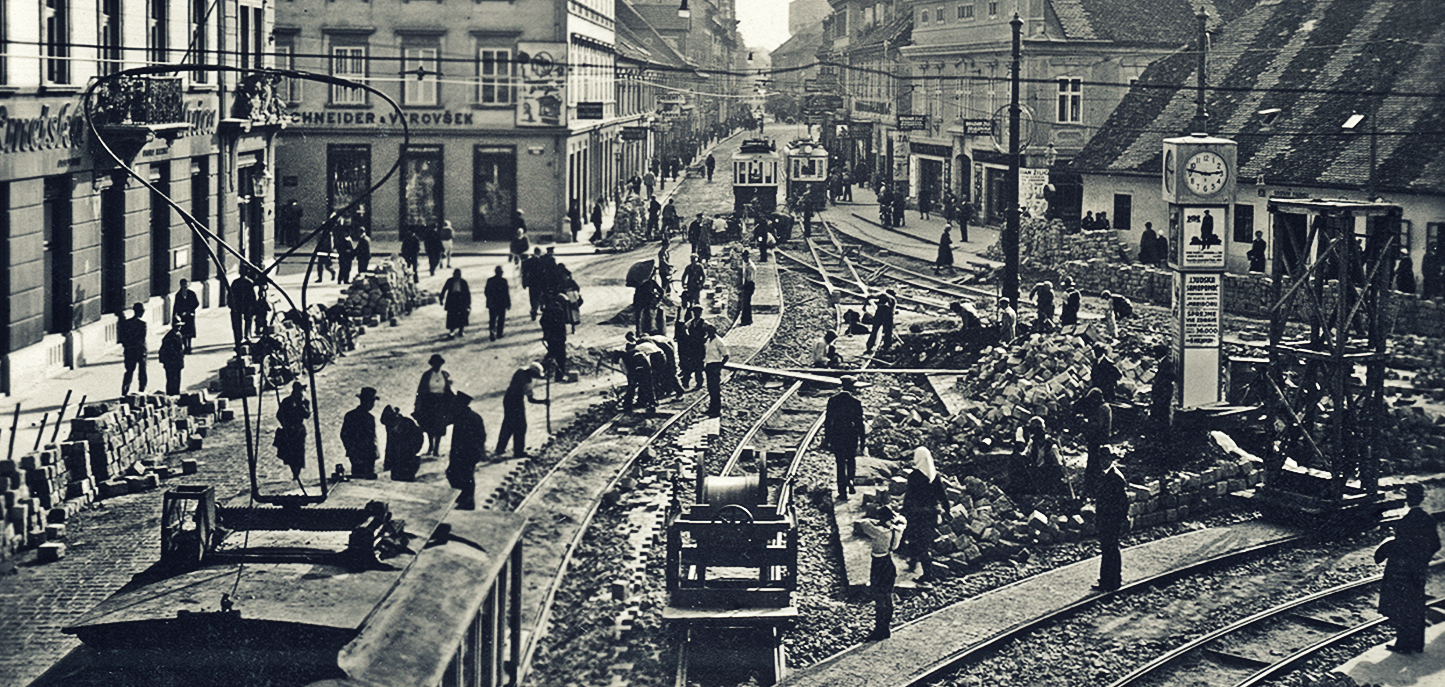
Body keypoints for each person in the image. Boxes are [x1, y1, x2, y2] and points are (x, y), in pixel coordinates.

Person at [1377, 483, 1440, 653]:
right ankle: (1417, 645)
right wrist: (1422, 560)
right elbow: (1436, 544)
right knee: (1417, 606)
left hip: (1403, 571)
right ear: (1422, 498)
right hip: (1418, 570)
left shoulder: (1407, 520)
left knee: (1402, 607)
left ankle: (1403, 645)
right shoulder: (1429, 519)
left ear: (1408, 499)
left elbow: (1402, 546)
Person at [856, 505, 906, 641]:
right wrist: (893, 519)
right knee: (887, 597)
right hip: (889, 563)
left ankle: (879, 630)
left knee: (879, 598)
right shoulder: (897, 529)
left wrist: (878, 521)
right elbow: (902, 520)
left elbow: (863, 522)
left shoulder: (879, 532)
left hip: (879, 565)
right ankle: (885, 628)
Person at [902, 447, 949, 583]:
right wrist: (947, 509)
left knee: (916, 540)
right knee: (924, 541)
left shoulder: (914, 476)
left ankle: (926, 574)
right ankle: (916, 562)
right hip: (932, 514)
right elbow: (942, 495)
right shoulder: (934, 475)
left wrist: (904, 512)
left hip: (917, 514)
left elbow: (909, 496)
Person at [823, 376, 866, 500]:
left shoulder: (833, 400)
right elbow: (860, 423)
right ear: (852, 387)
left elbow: (828, 421)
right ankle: (851, 480)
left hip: (837, 436)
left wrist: (827, 439)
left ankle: (842, 491)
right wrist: (862, 441)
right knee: (851, 460)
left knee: (840, 463)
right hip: (851, 436)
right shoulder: (855, 402)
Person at [496, 362, 548, 459]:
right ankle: (518, 451)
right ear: (532, 372)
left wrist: (543, 401)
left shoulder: (522, 373)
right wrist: (542, 401)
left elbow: (530, 399)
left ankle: (500, 448)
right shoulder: (525, 378)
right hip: (514, 401)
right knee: (520, 426)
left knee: (508, 424)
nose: (536, 377)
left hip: (512, 399)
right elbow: (529, 397)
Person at [447, 391, 487, 510]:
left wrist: (476, 451)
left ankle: (468, 501)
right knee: (455, 474)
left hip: (467, 453)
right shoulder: (462, 415)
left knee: (465, 476)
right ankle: (463, 496)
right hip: (461, 452)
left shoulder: (469, 417)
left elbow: (480, 436)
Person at [1093, 459, 1128, 592]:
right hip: (1105, 519)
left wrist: (1120, 519)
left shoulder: (1116, 477)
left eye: (1105, 457)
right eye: (1101, 457)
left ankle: (1112, 581)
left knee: (1111, 549)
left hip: (1112, 520)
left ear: (1111, 458)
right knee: (1107, 549)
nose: (1102, 461)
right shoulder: (1105, 475)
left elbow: (1123, 502)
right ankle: (1107, 580)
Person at [415, 354, 453, 456]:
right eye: (436, 364)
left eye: (439, 364)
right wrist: (418, 403)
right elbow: (421, 389)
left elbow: (448, 389)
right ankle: (431, 446)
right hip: (429, 402)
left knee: (440, 425)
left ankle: (437, 448)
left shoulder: (444, 375)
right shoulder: (427, 375)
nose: (438, 366)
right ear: (432, 364)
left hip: (441, 403)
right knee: (429, 425)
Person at [341, 386, 380, 479]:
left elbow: (344, 435)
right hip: (364, 455)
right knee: (364, 482)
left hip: (359, 454)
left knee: (358, 479)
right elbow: (371, 438)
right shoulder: (369, 418)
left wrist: (350, 450)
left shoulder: (350, 415)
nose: (372, 404)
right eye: (372, 402)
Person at [1018, 416, 1064, 495]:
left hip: (1048, 472)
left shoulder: (1052, 446)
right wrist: (1023, 456)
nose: (1039, 441)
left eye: (1040, 439)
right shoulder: (1033, 443)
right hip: (1036, 470)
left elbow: (1058, 464)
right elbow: (1026, 453)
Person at [1080, 387, 1112, 497]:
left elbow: (1097, 425)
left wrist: (1085, 423)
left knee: (1094, 465)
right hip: (1099, 440)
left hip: (1098, 440)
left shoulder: (1102, 409)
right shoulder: (1104, 407)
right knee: (1094, 464)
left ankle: (1093, 489)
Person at [275, 382, 310, 481]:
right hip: (289, 431)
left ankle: (297, 474)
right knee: (290, 453)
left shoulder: (305, 402)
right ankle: (294, 472)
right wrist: (285, 425)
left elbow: (307, 415)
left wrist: (300, 405)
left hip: (299, 430)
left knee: (299, 452)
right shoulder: (286, 402)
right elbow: (279, 415)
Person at [380, 405, 423, 482]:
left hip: (408, 460)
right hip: (396, 464)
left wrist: (413, 451)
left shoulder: (408, 423)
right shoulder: (391, 427)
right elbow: (389, 445)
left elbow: (419, 438)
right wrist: (388, 463)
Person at [118, 303, 149, 395]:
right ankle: (142, 390)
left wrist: (128, 347)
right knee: (142, 372)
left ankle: (124, 391)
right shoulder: (142, 324)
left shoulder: (126, 323)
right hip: (140, 351)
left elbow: (122, 339)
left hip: (130, 351)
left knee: (129, 372)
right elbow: (142, 339)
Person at [540, 295, 570, 382]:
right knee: (560, 357)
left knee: (551, 354)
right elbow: (561, 326)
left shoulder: (549, 308)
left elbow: (542, 321)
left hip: (551, 337)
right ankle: (559, 377)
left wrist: (546, 332)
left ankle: (540, 370)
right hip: (558, 338)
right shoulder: (558, 310)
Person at [702, 323, 729, 417]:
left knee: (715, 389)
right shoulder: (708, 340)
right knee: (710, 389)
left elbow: (726, 356)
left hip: (715, 365)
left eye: (710, 331)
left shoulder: (719, 341)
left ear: (714, 331)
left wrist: (719, 367)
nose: (708, 333)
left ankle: (717, 410)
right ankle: (711, 409)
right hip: (708, 365)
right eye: (707, 331)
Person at [620, 342, 656, 412]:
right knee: (648, 386)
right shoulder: (641, 353)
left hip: (639, 370)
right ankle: (651, 403)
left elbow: (626, 371)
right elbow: (648, 364)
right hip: (645, 369)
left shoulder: (624, 358)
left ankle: (627, 405)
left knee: (632, 388)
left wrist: (632, 380)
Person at [676, 306, 706, 391]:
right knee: (689, 364)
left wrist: (705, 338)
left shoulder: (704, 322)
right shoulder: (691, 322)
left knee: (699, 366)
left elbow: (710, 330)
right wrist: (687, 335)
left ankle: (699, 383)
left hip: (700, 347)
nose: (696, 314)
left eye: (698, 312)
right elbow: (684, 328)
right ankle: (685, 383)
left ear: (701, 313)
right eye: (695, 312)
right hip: (692, 347)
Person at [440, 268, 471, 338]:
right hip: (452, 300)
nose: (457, 276)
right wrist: (441, 299)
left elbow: (467, 293)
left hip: (461, 300)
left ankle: (461, 330)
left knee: (462, 316)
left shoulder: (463, 282)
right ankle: (451, 331)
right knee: (451, 316)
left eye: (458, 275)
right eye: (455, 275)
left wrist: (468, 304)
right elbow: (444, 290)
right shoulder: (449, 281)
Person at [864, 289, 897, 354]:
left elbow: (869, 297)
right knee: (888, 331)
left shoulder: (882, 295)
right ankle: (886, 347)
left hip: (879, 313)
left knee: (874, 330)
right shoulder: (893, 299)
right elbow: (893, 311)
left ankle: (869, 347)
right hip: (887, 314)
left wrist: (864, 306)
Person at [229, 270, 257, 343]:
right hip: (245, 304)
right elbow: (253, 296)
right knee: (247, 320)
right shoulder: (249, 282)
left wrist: (231, 304)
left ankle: (240, 336)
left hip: (240, 304)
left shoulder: (236, 282)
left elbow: (230, 294)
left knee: (240, 321)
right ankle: (246, 335)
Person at [634, 269, 664, 336]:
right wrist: (658, 298)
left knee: (641, 317)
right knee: (647, 316)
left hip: (641, 302)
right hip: (647, 302)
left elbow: (636, 294)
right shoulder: (651, 282)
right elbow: (661, 291)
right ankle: (646, 331)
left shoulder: (640, 282)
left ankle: (639, 332)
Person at [172, 279, 199, 354]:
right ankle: (185, 346)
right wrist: (177, 314)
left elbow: (196, 303)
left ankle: (189, 346)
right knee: (183, 332)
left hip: (190, 315)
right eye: (183, 285)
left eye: (186, 285)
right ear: (181, 285)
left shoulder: (191, 293)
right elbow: (176, 306)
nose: (185, 286)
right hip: (182, 316)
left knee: (190, 332)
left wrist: (190, 310)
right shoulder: (178, 295)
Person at [158, 325, 186, 396]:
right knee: (171, 379)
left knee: (177, 379)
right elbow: (167, 350)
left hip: (177, 361)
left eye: (180, 326)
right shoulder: (170, 336)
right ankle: (171, 395)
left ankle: (176, 394)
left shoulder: (178, 334)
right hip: (172, 361)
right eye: (178, 326)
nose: (180, 327)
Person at [485, 265, 510, 341]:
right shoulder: (504, 281)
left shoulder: (490, 280)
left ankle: (492, 331)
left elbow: (486, 292)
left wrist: (489, 299)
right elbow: (506, 293)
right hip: (501, 303)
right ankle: (499, 333)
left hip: (493, 303)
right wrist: (508, 303)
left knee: (492, 318)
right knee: (500, 319)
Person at [557, 265, 583, 333]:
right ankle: (567, 319)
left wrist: (574, 291)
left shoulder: (571, 282)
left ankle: (576, 319)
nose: (565, 277)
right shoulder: (559, 282)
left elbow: (577, 288)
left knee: (574, 305)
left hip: (572, 297)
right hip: (564, 297)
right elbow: (558, 290)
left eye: (566, 276)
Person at [738, 249, 756, 326]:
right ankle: (748, 319)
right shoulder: (747, 264)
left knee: (746, 303)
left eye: (744, 257)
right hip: (748, 284)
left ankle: (746, 320)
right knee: (746, 303)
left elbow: (750, 279)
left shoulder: (750, 267)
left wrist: (743, 286)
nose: (743, 259)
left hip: (749, 285)